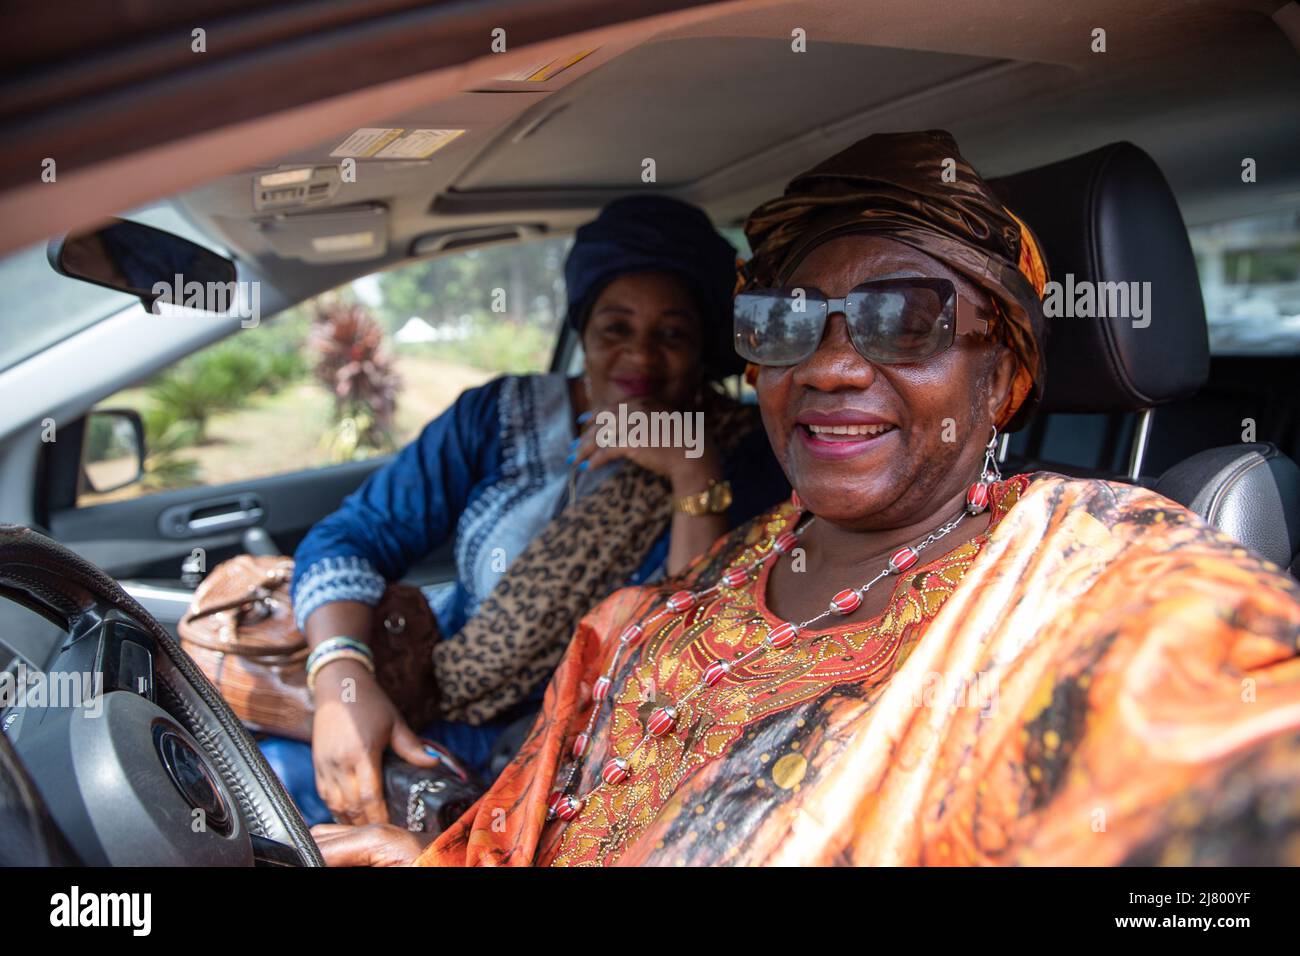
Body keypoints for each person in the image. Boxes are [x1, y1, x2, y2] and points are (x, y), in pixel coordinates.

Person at [312, 130, 1300, 866]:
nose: (828, 368)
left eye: (901, 319)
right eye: (787, 322)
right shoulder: (734, 562)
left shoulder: (1100, 570)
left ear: (998, 377)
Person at [266, 194, 789, 826]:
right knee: (252, 774)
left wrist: (689, 469)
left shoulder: (747, 455)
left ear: (703, 344)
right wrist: (340, 684)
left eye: (672, 334)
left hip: (594, 754)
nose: (642, 358)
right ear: (583, 327)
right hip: (434, 697)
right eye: (615, 328)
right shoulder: (496, 418)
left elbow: (691, 648)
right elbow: (350, 537)